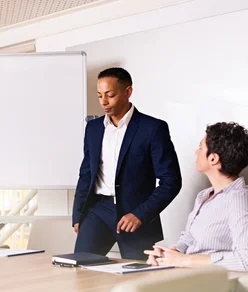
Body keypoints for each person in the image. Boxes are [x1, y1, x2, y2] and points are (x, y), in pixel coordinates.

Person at [72, 67, 182, 259]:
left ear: (128, 92)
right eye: (99, 96)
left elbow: (171, 180)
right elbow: (86, 174)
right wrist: (78, 214)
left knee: (138, 277)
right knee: (80, 269)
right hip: (97, 210)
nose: (103, 102)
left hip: (134, 215)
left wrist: (140, 214)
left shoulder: (153, 128)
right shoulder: (93, 128)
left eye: (110, 95)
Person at [145, 122, 248, 271]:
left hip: (209, 282)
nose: (196, 151)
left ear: (213, 158)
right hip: (188, 275)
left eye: (200, 147)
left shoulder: (239, 200)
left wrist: (185, 260)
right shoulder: (204, 195)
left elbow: (245, 259)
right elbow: (189, 239)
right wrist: (170, 254)